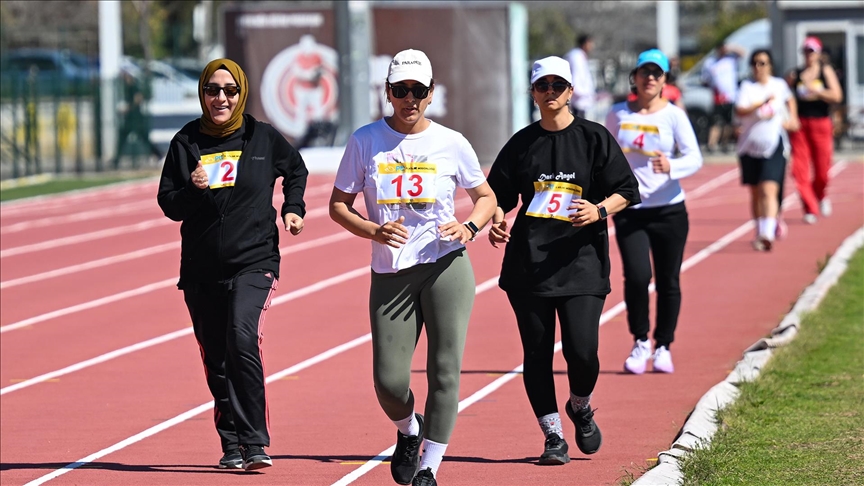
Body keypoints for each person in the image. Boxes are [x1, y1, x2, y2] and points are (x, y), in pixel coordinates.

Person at [328, 49, 496, 486]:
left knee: (444, 370)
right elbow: (338, 206)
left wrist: (470, 228)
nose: (409, 99)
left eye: (417, 91)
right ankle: (409, 430)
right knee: (388, 381)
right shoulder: (365, 140)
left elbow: (486, 198)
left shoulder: (452, 141)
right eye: (400, 91)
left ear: (431, 93)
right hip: (391, 271)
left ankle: (429, 468)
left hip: (445, 265)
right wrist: (372, 231)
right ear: (388, 93)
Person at [487, 56, 640, 465]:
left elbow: (627, 189)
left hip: (582, 262)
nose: (550, 92)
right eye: (543, 86)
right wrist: (497, 221)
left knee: (583, 351)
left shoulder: (594, 138)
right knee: (536, 354)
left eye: (558, 85)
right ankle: (553, 435)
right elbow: (495, 198)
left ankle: (581, 404)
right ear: (533, 92)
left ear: (571, 91)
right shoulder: (521, 144)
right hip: (529, 265)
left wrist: (600, 210)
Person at [157, 58, 308, 471]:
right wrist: (191, 189)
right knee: (215, 358)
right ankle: (231, 444)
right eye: (212, 90)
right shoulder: (186, 142)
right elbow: (168, 204)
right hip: (202, 268)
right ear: (203, 93)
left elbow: (296, 169)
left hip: (254, 260)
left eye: (230, 90)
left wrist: (292, 208)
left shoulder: (262, 137)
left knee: (242, 337)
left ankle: (255, 441)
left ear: (241, 93)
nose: (221, 98)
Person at [605, 49, 703, 375]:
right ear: (634, 77)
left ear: (664, 81)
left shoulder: (673, 115)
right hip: (631, 210)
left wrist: (671, 166)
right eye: (644, 72)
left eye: (656, 74)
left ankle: (663, 345)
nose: (650, 78)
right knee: (636, 276)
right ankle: (640, 341)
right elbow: (604, 155)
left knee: (668, 281)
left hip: (669, 211)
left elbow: (695, 158)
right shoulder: (616, 114)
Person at [735, 49, 799, 251]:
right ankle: (760, 227)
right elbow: (740, 110)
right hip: (749, 145)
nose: (758, 67)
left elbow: (790, 99)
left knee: (769, 188)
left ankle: (767, 233)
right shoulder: (746, 87)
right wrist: (761, 103)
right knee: (755, 192)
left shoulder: (778, 85)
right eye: (754, 63)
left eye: (763, 63)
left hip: (774, 144)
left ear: (770, 65)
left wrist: (793, 118)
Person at [787, 36, 843, 224]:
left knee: (822, 170)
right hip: (801, 125)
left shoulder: (825, 71)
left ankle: (820, 195)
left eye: (811, 52)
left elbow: (836, 95)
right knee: (799, 169)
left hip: (821, 123)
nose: (808, 56)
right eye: (805, 52)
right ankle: (809, 207)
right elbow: (787, 97)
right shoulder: (796, 74)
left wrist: (817, 91)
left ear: (818, 53)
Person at [701, 42, 745, 153]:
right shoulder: (710, 62)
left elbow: (743, 53)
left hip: (731, 96)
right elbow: (705, 79)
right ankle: (712, 144)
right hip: (718, 97)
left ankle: (725, 144)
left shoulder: (730, 60)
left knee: (728, 122)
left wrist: (730, 48)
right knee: (716, 122)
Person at [115, 69, 162, 168]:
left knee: (144, 138)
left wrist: (128, 108)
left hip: (136, 118)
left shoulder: (134, 86)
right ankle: (116, 159)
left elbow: (138, 99)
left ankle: (158, 154)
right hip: (130, 118)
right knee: (123, 137)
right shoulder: (126, 87)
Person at [565, 34, 596, 119]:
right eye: (590, 43)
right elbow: (576, 76)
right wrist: (582, 93)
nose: (592, 46)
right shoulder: (576, 56)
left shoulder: (580, 55)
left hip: (582, 100)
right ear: (585, 43)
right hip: (577, 101)